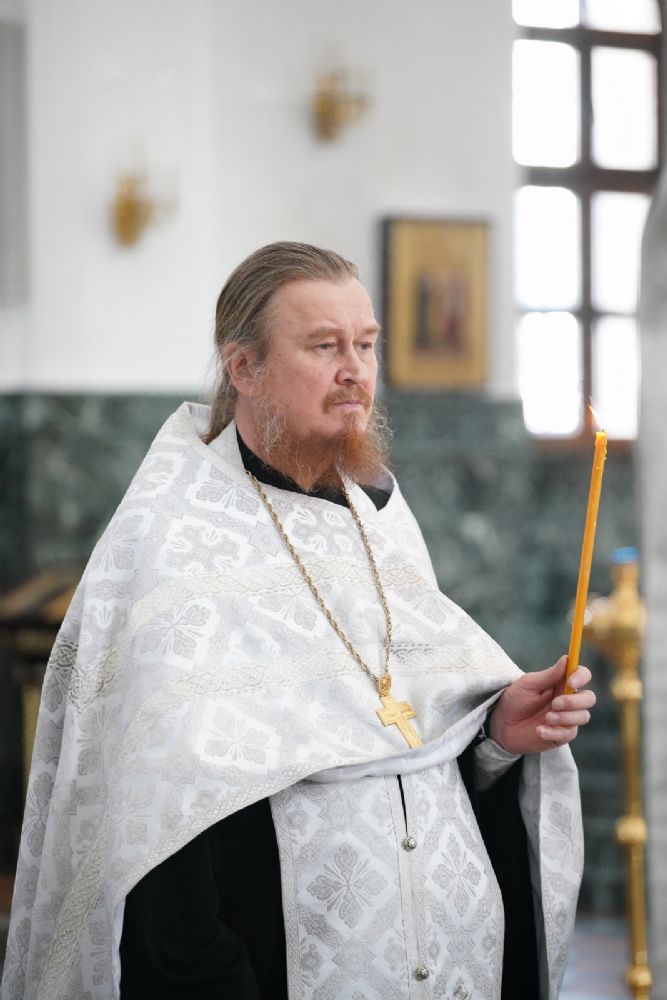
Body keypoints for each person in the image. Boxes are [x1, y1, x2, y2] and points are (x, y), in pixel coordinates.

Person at [1, 242, 595, 1000]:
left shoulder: (378, 515)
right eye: (324, 347)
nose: (355, 371)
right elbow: (163, 826)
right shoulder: (171, 541)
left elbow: (406, 731)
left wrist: (493, 737)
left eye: (366, 344)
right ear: (244, 367)